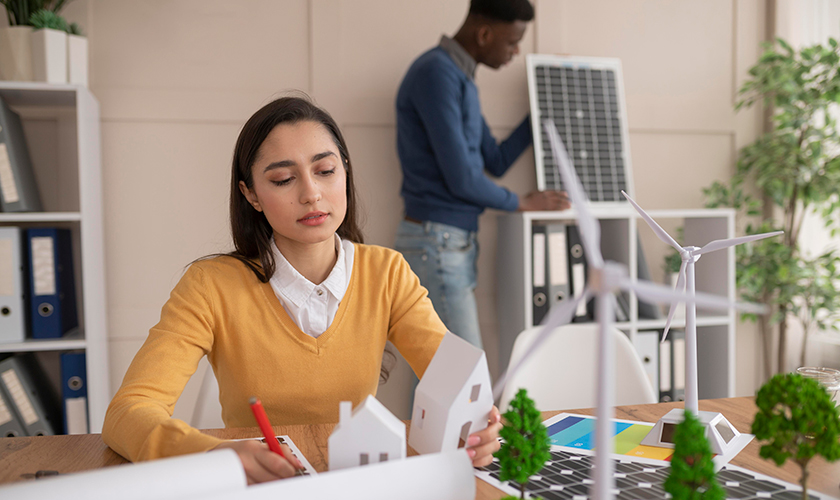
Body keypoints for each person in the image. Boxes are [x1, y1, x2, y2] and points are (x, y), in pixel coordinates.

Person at [102, 95, 502, 485]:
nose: (311, 193)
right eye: (283, 179)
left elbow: (455, 383)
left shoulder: (387, 272)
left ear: (345, 171)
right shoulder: (210, 286)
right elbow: (128, 412)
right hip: (262, 486)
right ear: (251, 194)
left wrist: (479, 426)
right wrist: (211, 454)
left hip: (358, 483)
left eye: (325, 171)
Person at [394, 0, 569, 349]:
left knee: (439, 377)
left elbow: (496, 159)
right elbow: (462, 179)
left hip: (451, 243)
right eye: (512, 42)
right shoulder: (436, 74)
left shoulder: (460, 79)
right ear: (485, 34)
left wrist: (545, 106)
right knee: (461, 374)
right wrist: (522, 202)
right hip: (437, 243)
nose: (516, 51)